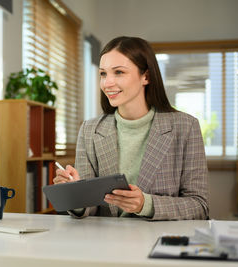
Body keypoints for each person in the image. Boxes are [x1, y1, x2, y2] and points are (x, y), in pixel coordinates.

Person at [53, 36, 209, 220]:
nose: (107, 83)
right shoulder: (90, 130)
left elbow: (199, 205)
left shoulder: (185, 127)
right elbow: (91, 208)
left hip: (161, 241)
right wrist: (76, 192)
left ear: (146, 76)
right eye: (103, 73)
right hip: (106, 243)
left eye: (118, 72)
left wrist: (145, 204)